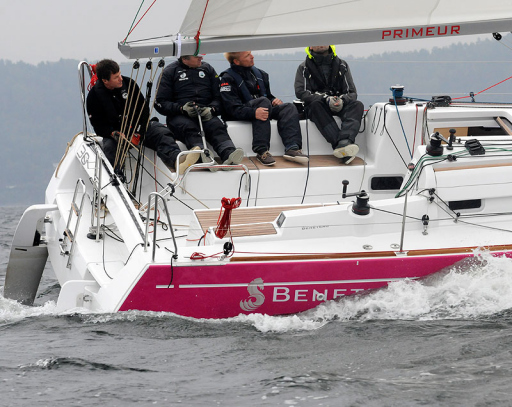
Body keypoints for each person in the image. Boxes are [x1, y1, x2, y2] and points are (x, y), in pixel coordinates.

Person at [86, 59, 196, 174]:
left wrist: (139, 131)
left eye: (119, 74)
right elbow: (98, 125)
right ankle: (116, 177)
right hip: (118, 135)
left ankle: (177, 160)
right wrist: (113, 133)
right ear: (105, 80)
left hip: (137, 127)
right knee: (109, 148)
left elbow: (143, 110)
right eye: (116, 77)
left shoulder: (129, 84)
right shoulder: (93, 97)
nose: (121, 79)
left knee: (161, 132)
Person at [155, 54, 243, 171]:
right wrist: (181, 108)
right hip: (179, 115)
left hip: (204, 111)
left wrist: (212, 109)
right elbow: (160, 102)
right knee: (190, 128)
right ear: (185, 59)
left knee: (216, 126)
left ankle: (229, 154)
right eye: (197, 57)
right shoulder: (169, 72)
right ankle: (203, 156)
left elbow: (219, 97)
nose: (201, 58)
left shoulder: (208, 69)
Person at [220, 51, 307, 166]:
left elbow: (268, 97)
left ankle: (293, 148)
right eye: (247, 55)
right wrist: (253, 112)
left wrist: (274, 101)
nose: (252, 56)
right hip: (242, 113)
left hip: (262, 108)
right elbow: (231, 109)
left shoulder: (260, 75)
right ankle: (261, 151)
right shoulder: (227, 79)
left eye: (250, 53)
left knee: (288, 108)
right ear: (236, 61)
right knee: (263, 101)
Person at [294, 45, 364, 164]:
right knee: (314, 106)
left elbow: (352, 92)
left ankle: (344, 142)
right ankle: (341, 146)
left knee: (357, 105)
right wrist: (325, 99)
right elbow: (301, 92)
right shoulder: (304, 67)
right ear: (310, 46)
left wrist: (342, 100)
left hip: (340, 102)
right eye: (316, 41)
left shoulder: (342, 65)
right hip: (319, 104)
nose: (320, 43)